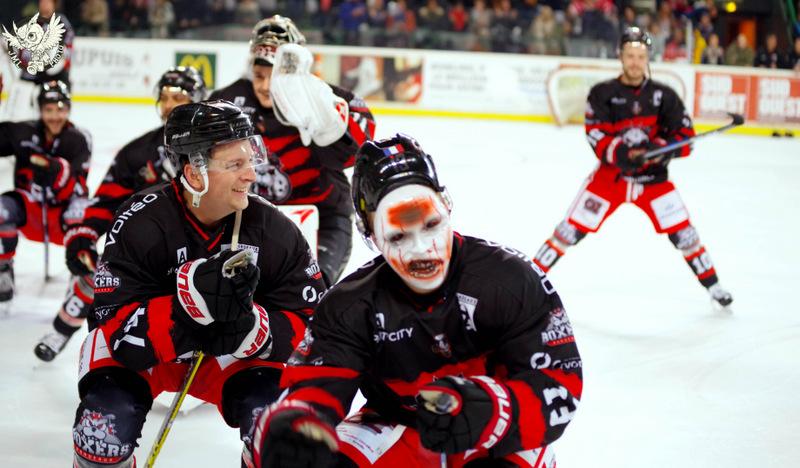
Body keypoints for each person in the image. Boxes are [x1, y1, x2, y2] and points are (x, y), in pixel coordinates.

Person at [253, 134, 583, 467]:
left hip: (496, 428)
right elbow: (312, 389)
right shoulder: (348, 307)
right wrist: (297, 424)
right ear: (371, 235)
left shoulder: (512, 280)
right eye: (398, 236)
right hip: (395, 425)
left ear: (447, 206)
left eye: (431, 225)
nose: (422, 249)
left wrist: (492, 409)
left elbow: (559, 385)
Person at [71, 99, 327, 467]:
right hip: (147, 353)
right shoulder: (140, 222)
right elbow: (115, 330)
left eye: (251, 159)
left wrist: (253, 328)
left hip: (231, 355)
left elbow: (311, 321)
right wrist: (188, 307)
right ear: (194, 174)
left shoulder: (274, 230)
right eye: (235, 164)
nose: (251, 175)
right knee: (100, 436)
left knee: (281, 437)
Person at [532, 27, 733, 307]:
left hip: (654, 182)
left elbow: (686, 139)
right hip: (610, 179)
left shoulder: (665, 96)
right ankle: (529, 280)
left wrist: (658, 150)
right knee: (568, 231)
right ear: (621, 56)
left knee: (685, 235)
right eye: (630, 55)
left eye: (640, 56)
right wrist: (626, 153)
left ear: (648, 57)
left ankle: (714, 287)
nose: (635, 62)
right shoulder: (602, 93)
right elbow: (597, 136)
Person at [33, 66, 207, 362]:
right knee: (99, 272)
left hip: (205, 250)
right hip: (152, 252)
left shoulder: (217, 149)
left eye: (178, 97)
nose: (169, 105)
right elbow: (107, 199)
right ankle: (62, 330)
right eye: (165, 97)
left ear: (198, 101)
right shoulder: (137, 153)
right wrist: (84, 234)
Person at [210, 15, 376, 286]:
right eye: (259, 75)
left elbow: (358, 152)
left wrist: (334, 125)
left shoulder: (323, 97)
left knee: (312, 290)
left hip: (321, 216)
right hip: (252, 219)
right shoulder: (228, 101)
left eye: (274, 75)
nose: (265, 86)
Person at [0, 80, 91, 321]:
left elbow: (79, 185)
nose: (54, 116)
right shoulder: (22, 133)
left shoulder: (79, 139)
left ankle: (80, 276)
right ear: (39, 109)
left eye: (60, 109)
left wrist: (57, 172)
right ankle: (2, 269)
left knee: (83, 213)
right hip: (30, 210)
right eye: (48, 110)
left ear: (68, 109)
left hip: (63, 215)